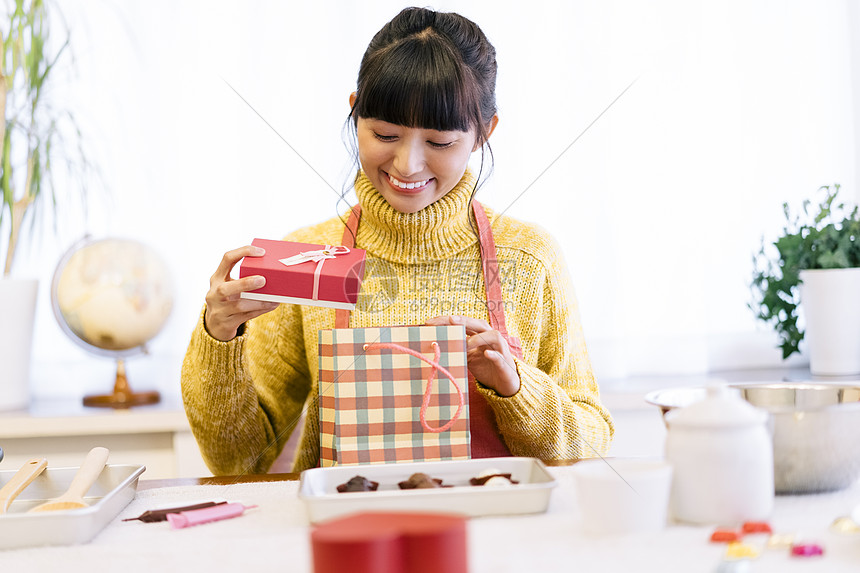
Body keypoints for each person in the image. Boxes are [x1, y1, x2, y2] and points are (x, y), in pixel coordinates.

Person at [181, 6, 614, 475]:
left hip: (496, 534)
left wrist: (516, 388)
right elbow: (239, 460)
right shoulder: (306, 260)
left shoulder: (529, 259)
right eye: (385, 133)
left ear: (484, 133)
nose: (407, 165)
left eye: (440, 142)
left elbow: (589, 443)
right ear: (355, 113)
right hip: (351, 530)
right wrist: (219, 335)